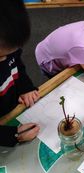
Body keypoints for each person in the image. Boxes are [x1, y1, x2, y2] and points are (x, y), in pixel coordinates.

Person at [0, 0, 40, 147]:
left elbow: (17, 67)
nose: (6, 60)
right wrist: (13, 135)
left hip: (12, 106)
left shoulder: (9, 48)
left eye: (13, 51)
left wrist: (26, 87)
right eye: (0, 56)